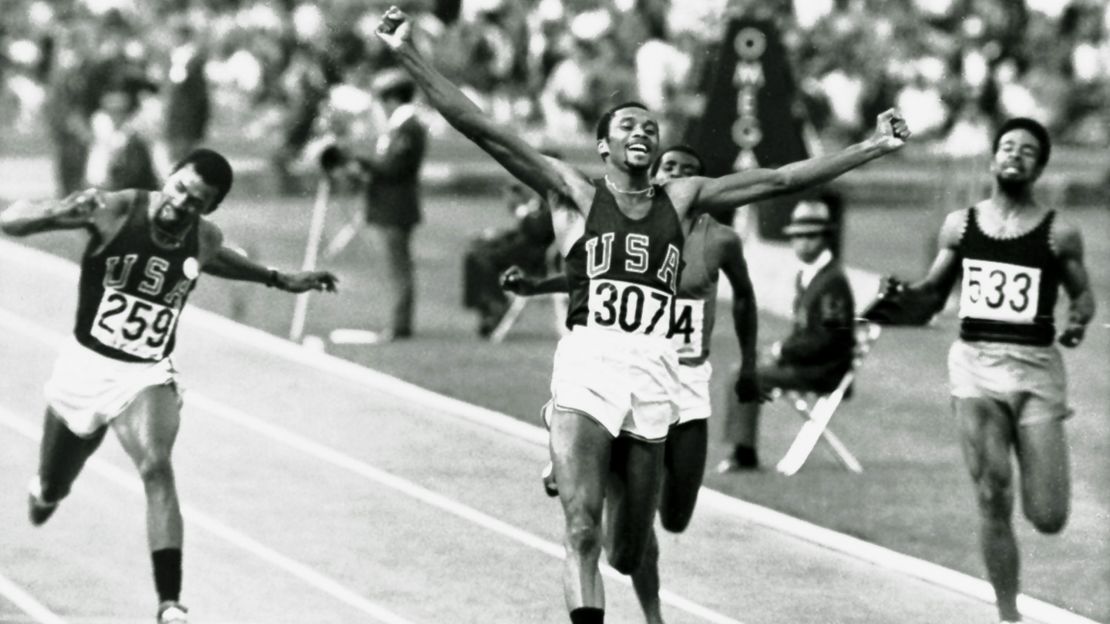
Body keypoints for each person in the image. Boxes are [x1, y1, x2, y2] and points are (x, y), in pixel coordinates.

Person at [374, 8, 910, 622]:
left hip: (656, 375)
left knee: (627, 552)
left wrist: (872, 145)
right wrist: (407, 52)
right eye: (629, 124)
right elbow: (478, 125)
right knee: (580, 532)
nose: (643, 133)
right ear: (604, 144)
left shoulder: (683, 199)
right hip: (588, 366)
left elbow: (781, 178)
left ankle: (604, 502)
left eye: (651, 128)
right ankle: (568, 451)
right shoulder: (571, 192)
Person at [0, 149, 338, 624]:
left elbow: (218, 257)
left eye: (197, 202)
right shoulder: (115, 208)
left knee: (157, 465)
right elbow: (11, 223)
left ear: (209, 210)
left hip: (145, 373)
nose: (181, 203)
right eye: (179, 188)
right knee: (52, 489)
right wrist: (60, 212)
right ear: (169, 176)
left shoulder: (203, 237)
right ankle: (47, 489)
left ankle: (170, 604)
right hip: (84, 368)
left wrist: (278, 279)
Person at [502, 144, 766, 623]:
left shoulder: (720, 240)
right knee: (605, 529)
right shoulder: (639, 226)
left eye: (688, 171)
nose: (677, 175)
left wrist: (748, 365)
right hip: (628, 378)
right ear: (658, 176)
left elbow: (745, 300)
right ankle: (580, 460)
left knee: (674, 518)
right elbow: (588, 278)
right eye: (670, 168)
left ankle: (604, 478)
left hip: (686, 384)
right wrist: (538, 287)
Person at [876, 117, 1094, 624]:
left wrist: (1080, 320)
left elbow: (1082, 295)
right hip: (974, 367)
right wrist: (902, 299)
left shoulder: (1060, 232)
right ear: (993, 158)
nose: (1014, 155)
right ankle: (1007, 614)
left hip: (1037, 372)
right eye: (1007, 147)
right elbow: (932, 292)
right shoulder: (960, 225)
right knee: (993, 492)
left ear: (1038, 167)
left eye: (1026, 151)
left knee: (1048, 517)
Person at [717, 199, 856, 472]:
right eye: (796, 237)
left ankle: (744, 454)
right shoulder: (811, 277)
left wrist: (782, 351)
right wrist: (780, 351)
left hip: (823, 371)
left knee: (744, 376)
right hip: (808, 363)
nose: (801, 243)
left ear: (825, 238)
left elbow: (827, 340)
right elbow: (806, 333)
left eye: (809, 237)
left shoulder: (832, 282)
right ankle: (742, 451)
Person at [352, 67, 428, 342]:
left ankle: (400, 324)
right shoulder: (401, 126)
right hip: (392, 203)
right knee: (398, 266)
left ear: (393, 99)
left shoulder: (408, 127)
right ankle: (400, 322)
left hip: (397, 205)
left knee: (399, 267)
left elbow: (394, 167)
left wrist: (361, 161)